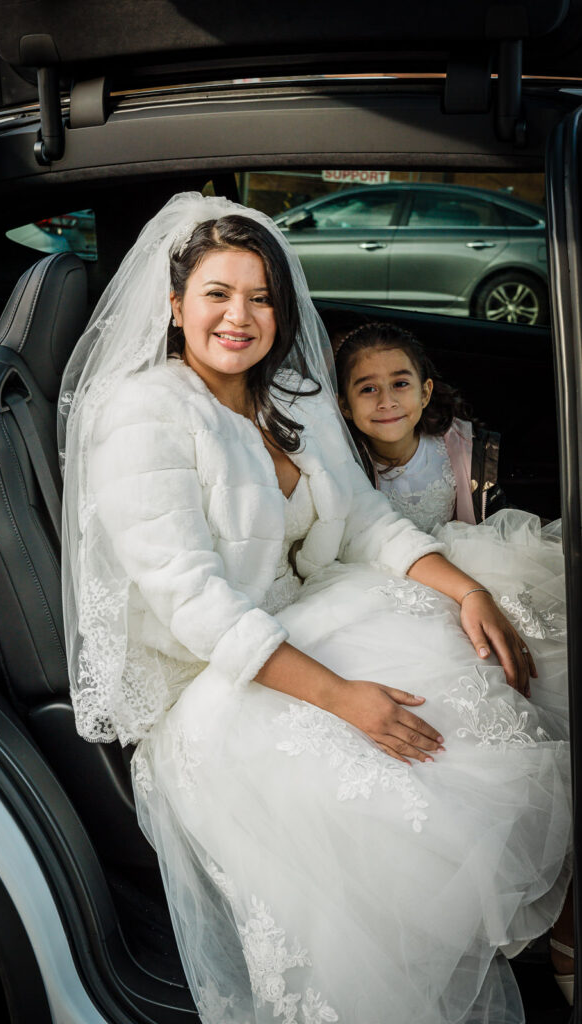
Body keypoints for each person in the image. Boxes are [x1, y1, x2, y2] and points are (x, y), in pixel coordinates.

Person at [59, 192, 572, 1024]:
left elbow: (367, 521)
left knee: (520, 641)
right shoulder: (143, 416)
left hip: (320, 613)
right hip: (224, 688)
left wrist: (464, 587)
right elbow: (196, 602)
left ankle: (559, 941)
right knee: (435, 780)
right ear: (174, 304)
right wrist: (344, 698)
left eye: (261, 296)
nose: (242, 315)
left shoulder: (287, 393)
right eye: (218, 294)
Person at [335, 321, 506, 532]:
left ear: (425, 393)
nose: (387, 401)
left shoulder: (463, 450)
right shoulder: (341, 466)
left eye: (400, 384)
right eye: (368, 389)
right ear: (345, 405)